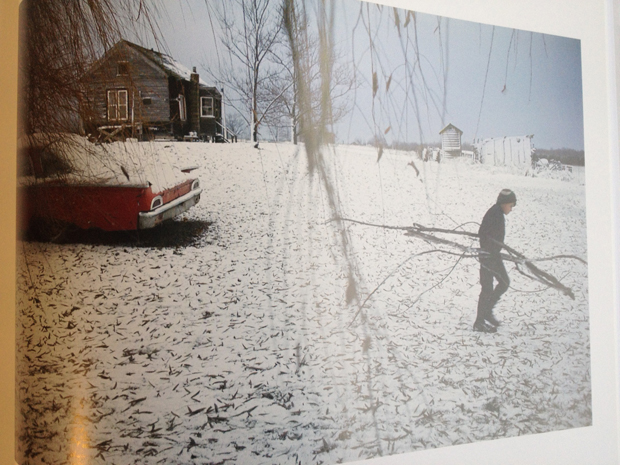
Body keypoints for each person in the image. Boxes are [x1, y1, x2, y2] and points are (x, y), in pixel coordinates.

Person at [474, 189, 517, 333]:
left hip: (494, 255)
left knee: (504, 282)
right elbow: (483, 233)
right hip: (487, 255)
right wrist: (492, 249)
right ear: (504, 203)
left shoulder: (498, 213)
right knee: (487, 288)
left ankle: (487, 312)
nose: (511, 209)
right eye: (511, 206)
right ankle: (479, 322)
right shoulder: (494, 214)